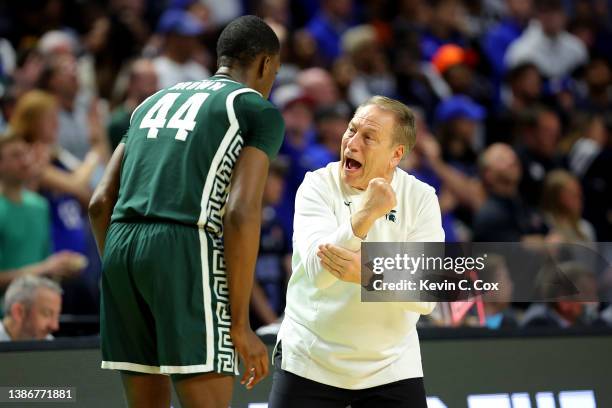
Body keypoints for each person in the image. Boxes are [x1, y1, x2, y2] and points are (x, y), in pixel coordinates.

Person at [88, 15, 283, 408]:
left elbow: (99, 202)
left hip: (120, 246)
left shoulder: (150, 102)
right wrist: (241, 325)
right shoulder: (255, 110)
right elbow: (240, 214)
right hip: (184, 246)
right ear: (265, 64)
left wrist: (121, 271)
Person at [268, 96, 444, 408]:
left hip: (391, 365)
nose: (352, 142)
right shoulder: (317, 186)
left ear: (396, 154)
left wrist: (367, 273)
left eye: (368, 137)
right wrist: (365, 215)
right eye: (351, 130)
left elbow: (428, 293)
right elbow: (320, 273)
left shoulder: (421, 198)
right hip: (311, 358)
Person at [0, 275, 62, 341]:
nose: (55, 326)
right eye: (47, 314)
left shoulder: (49, 342)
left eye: (57, 316)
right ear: (18, 312)